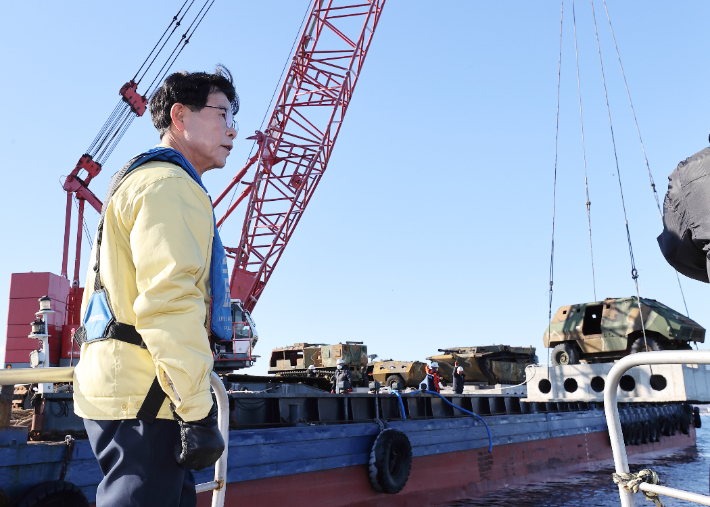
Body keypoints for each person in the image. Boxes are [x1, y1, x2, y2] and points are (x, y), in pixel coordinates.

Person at [72, 66, 239, 507]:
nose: (233, 130)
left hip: (128, 387)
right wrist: (198, 408)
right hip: (150, 395)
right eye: (223, 114)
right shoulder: (170, 185)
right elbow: (169, 301)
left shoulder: (143, 180)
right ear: (180, 116)